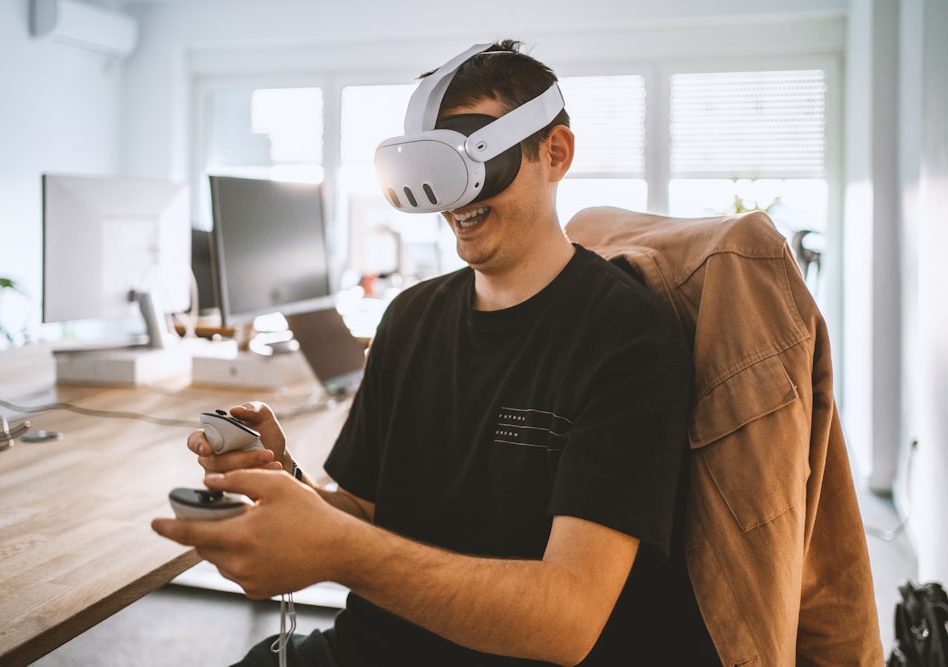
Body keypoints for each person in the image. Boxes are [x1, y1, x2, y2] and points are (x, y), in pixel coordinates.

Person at [153, 40, 708, 666]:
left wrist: (337, 549)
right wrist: (289, 483)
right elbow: (364, 516)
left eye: (477, 159)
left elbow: (569, 618)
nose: (456, 199)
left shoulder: (627, 339)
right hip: (364, 648)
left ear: (555, 153)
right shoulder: (410, 318)